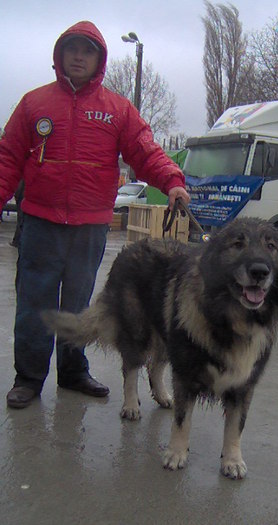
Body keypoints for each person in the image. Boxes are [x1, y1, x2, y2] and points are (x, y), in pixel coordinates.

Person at [0, 21, 190, 409]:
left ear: (99, 60)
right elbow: (7, 159)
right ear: (60, 55)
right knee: (34, 304)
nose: (79, 57)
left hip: (88, 229)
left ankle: (72, 373)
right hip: (40, 223)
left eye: (87, 51)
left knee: (82, 307)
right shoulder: (34, 104)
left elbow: (145, 150)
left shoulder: (117, 109)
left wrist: (171, 180)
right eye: (72, 49)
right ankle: (29, 378)